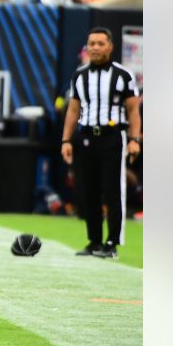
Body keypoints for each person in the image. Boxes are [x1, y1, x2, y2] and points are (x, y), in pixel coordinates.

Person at [61, 28, 142, 259]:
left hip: (112, 136)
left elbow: (133, 110)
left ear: (110, 46)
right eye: (91, 43)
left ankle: (112, 242)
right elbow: (73, 109)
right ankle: (94, 240)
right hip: (86, 136)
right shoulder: (79, 75)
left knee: (112, 190)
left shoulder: (123, 75)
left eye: (100, 43)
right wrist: (66, 139)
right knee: (89, 191)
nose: (95, 48)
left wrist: (135, 139)